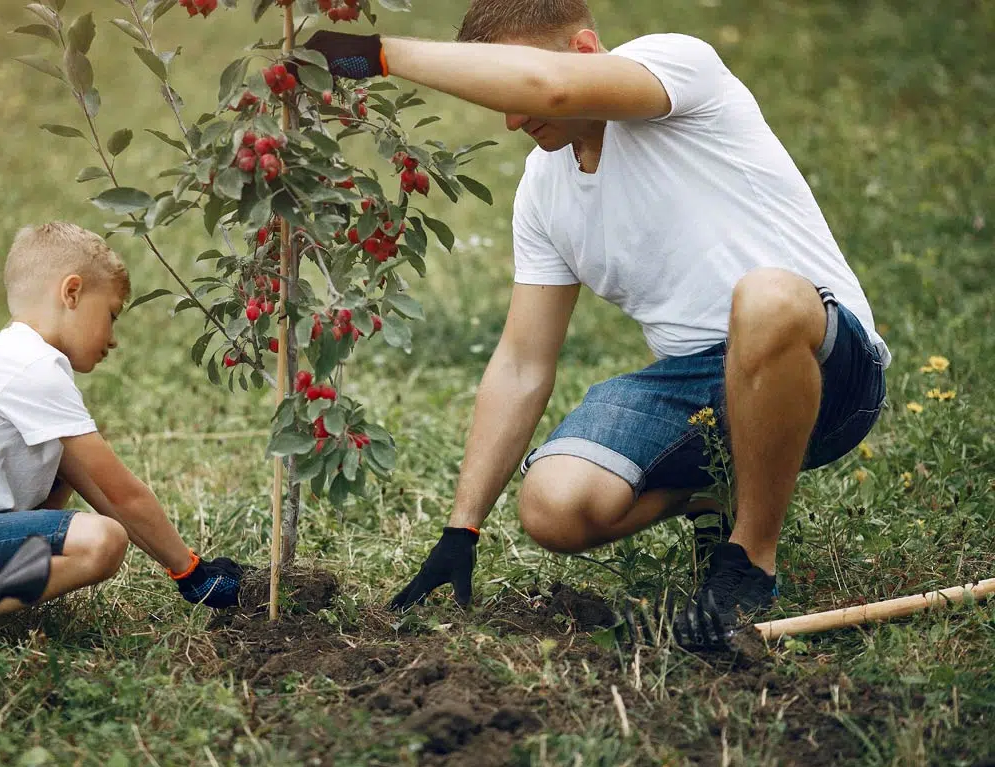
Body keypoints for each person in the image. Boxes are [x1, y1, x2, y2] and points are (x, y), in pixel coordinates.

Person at [303, 0, 890, 647]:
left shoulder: (678, 66)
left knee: (766, 297)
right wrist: (460, 527)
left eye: (510, 79)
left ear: (585, 52)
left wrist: (371, 54)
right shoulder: (543, 188)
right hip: (698, 386)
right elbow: (523, 361)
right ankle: (713, 494)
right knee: (554, 508)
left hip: (827, 366)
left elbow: (544, 85)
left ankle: (748, 559)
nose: (512, 116)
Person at [0, 222, 245, 656]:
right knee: (102, 541)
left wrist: (182, 566)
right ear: (72, 293)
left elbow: (100, 489)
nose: (113, 339)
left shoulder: (3, 357)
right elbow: (124, 495)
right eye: (112, 314)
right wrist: (191, 573)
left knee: (67, 470)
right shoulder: (33, 369)